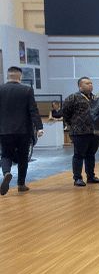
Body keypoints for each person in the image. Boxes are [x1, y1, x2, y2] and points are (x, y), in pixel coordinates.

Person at [0, 66, 44, 195]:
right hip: (24, 130)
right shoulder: (27, 90)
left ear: (7, 77)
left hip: (4, 130)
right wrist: (39, 127)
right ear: (20, 77)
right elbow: (33, 110)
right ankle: (21, 184)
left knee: (6, 154)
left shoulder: (0, 89)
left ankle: (6, 172)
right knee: (23, 157)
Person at [62, 77, 99, 186]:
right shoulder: (73, 97)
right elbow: (65, 112)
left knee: (91, 155)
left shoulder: (95, 98)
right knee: (78, 156)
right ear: (80, 86)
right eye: (87, 83)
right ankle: (77, 178)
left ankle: (91, 176)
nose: (90, 85)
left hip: (94, 132)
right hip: (79, 132)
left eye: (91, 83)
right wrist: (73, 123)